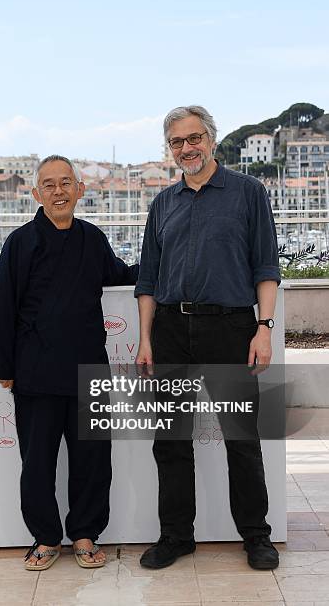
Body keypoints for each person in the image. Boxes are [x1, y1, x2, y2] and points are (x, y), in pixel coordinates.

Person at [134, 105, 281, 571]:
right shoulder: (163, 204)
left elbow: (266, 266)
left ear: (211, 140)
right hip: (171, 331)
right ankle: (177, 536)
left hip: (232, 328)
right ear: (169, 149)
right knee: (170, 440)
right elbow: (149, 282)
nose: (186, 148)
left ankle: (256, 536)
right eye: (177, 142)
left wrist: (264, 327)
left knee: (242, 437)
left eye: (194, 138)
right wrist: (145, 339)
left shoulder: (248, 193)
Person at [0, 155, 138, 570]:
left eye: (66, 183)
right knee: (36, 463)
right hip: (35, 372)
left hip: (89, 368)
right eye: (49, 184)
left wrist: (168, 271)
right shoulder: (19, 243)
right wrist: (4, 365)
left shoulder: (93, 238)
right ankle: (45, 537)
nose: (58, 191)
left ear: (80, 190)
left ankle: (85, 534)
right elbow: (2, 307)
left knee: (92, 460)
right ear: (36, 194)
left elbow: (122, 274)